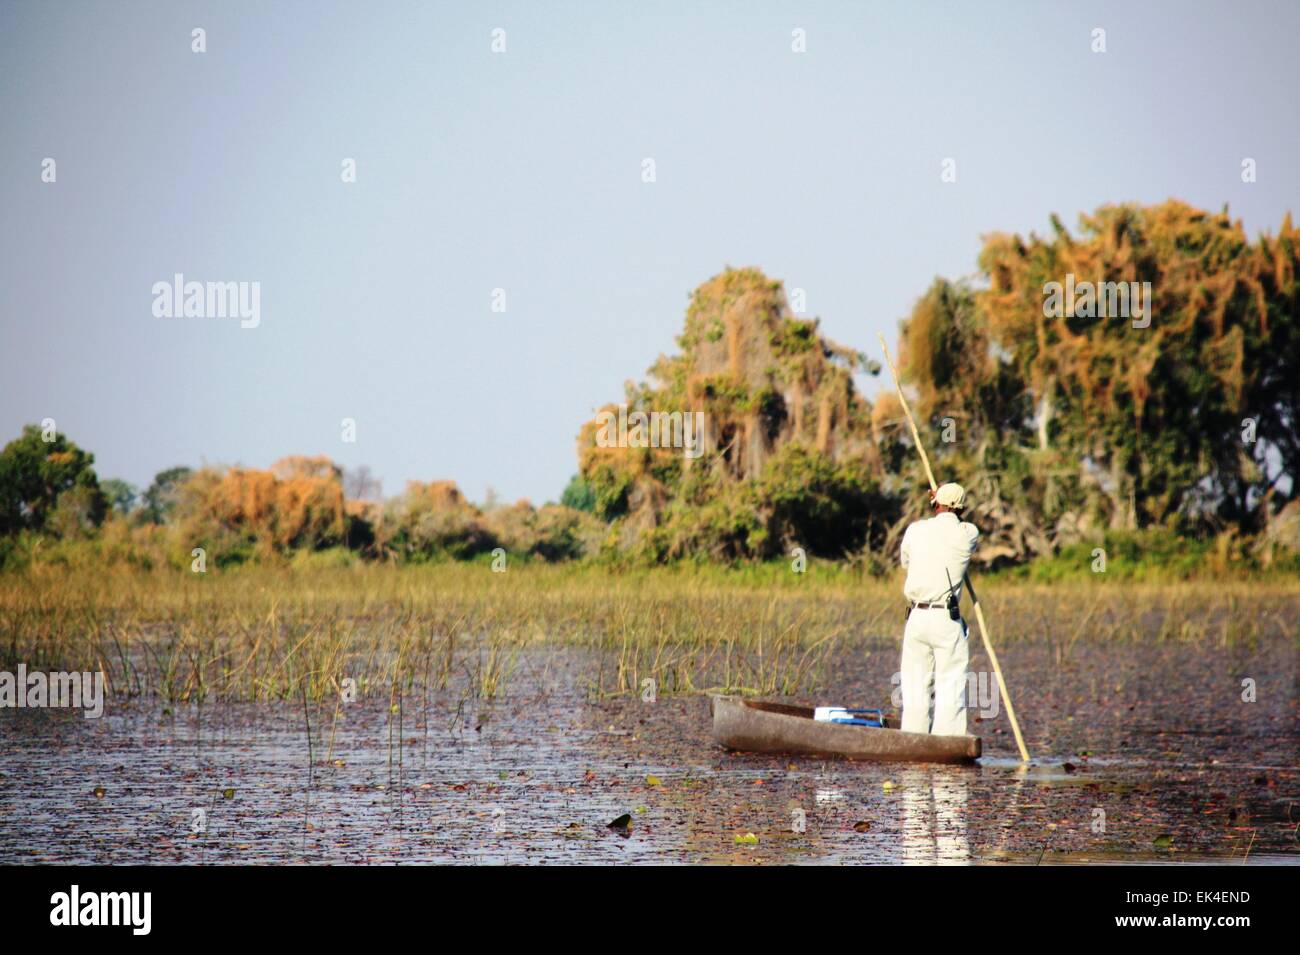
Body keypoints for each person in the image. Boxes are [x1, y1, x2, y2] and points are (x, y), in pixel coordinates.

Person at [898, 482, 979, 736]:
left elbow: (905, 562)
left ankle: (913, 739)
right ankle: (948, 741)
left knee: (914, 686)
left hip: (917, 618)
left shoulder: (915, 530)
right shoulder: (967, 533)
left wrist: (937, 504)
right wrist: (945, 506)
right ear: (961, 507)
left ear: (935, 503)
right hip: (946, 620)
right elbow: (963, 526)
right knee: (950, 685)